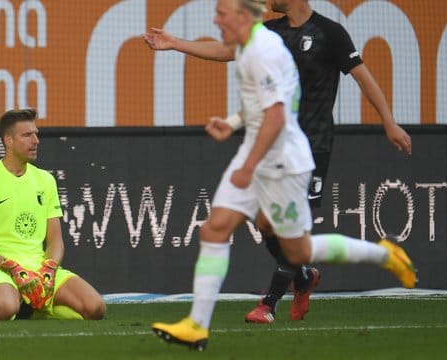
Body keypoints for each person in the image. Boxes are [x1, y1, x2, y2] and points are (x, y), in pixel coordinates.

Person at [150, 0, 416, 350]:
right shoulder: (258, 42)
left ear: (243, 16)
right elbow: (260, 100)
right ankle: (197, 325)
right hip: (261, 149)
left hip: (289, 156)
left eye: (221, 13)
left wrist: (389, 122)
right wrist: (230, 122)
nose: (215, 19)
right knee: (217, 228)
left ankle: (380, 257)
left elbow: (276, 114)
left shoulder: (282, 44)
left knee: (298, 247)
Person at [0, 108, 106, 321]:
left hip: (40, 269)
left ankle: (37, 306)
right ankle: (18, 304)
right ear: (9, 141)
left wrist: (48, 270)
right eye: (27, 135)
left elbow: (55, 240)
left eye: (36, 134)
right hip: (1, 269)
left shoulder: (46, 180)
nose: (36, 140)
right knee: (3, 308)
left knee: (95, 308)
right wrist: (14, 269)